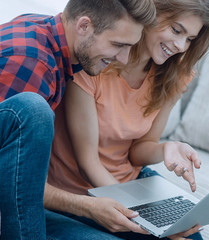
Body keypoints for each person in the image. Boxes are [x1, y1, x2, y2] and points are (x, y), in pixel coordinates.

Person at [46, 0, 209, 239]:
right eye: (176, 30)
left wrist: (166, 148)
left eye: (189, 39)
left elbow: (138, 151)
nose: (180, 45)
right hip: (80, 193)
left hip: (130, 183)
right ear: (150, 14)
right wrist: (140, 215)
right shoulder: (96, 61)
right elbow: (88, 163)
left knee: (190, 235)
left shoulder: (175, 75)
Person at [0, 0, 156, 239]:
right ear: (84, 26)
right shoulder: (32, 63)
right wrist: (88, 208)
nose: (124, 58)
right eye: (118, 45)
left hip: (23, 199)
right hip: (11, 204)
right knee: (33, 109)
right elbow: (13, 181)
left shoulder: (44, 32)